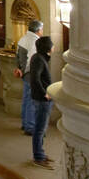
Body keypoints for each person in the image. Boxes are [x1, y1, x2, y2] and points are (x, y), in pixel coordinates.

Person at [27, 35, 54, 168]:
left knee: (41, 129)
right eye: (52, 44)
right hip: (41, 99)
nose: (53, 46)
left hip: (41, 98)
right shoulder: (38, 59)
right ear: (47, 47)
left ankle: (41, 154)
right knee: (39, 129)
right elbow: (35, 79)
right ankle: (38, 157)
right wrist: (45, 94)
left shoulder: (40, 58)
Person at [13, 19, 43, 135]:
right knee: (32, 101)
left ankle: (25, 123)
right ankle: (30, 127)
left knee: (26, 99)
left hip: (25, 74)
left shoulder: (23, 38)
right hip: (32, 74)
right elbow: (32, 60)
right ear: (38, 29)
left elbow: (17, 56)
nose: (42, 31)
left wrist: (19, 69)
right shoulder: (34, 41)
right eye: (41, 29)